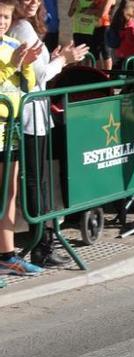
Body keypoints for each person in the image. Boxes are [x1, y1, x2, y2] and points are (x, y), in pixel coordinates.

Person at [11, 0, 88, 267]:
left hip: (36, 116)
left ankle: (42, 245)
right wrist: (62, 60)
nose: (31, 3)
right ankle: (41, 247)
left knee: (38, 182)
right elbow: (37, 76)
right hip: (29, 117)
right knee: (35, 183)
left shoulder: (26, 26)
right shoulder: (20, 27)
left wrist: (57, 58)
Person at [0, 0, 43, 281]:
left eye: (4, 17)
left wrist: (25, 65)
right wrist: (11, 66)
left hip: (10, 130)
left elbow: (26, 85)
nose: (2, 22)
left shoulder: (12, 44)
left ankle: (7, 256)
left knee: (9, 194)